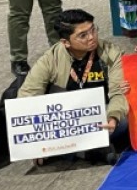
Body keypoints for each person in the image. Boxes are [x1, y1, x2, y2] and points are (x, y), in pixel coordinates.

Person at [19, 9, 128, 163]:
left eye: (93, 30)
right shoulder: (50, 59)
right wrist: (38, 142)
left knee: (124, 121)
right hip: (66, 119)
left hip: (100, 114)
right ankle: (89, 149)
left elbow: (118, 92)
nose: (92, 37)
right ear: (66, 42)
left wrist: (113, 117)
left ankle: (71, 150)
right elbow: (27, 96)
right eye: (83, 35)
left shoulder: (112, 53)